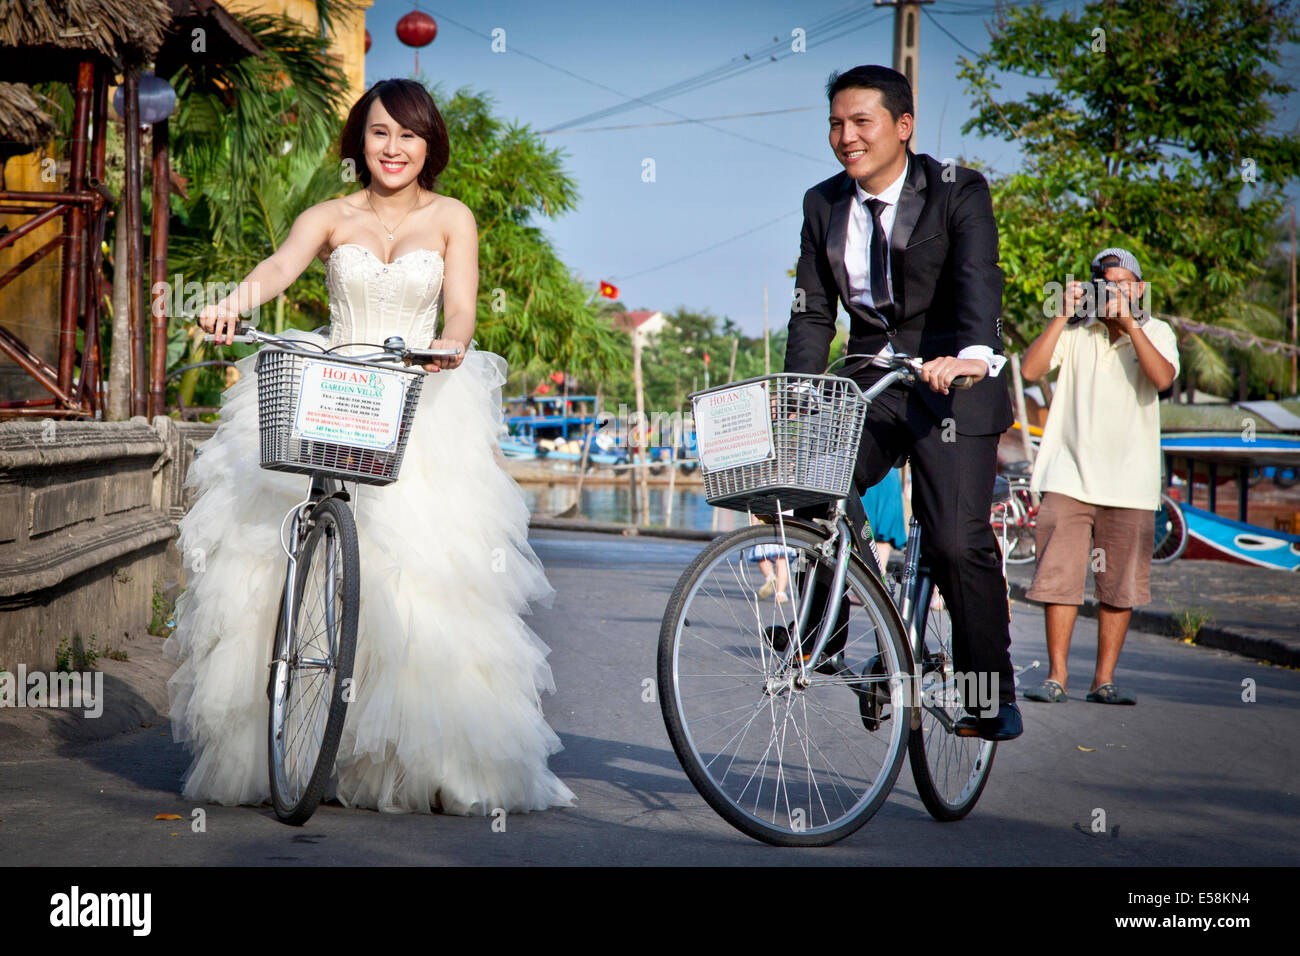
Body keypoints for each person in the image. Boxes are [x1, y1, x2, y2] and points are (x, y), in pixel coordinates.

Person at [165, 79, 576, 815]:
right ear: (360, 140)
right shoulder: (329, 214)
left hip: (418, 392)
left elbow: (461, 305)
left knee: (422, 572)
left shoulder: (453, 218)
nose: (394, 148)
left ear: (429, 146)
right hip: (335, 385)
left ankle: (425, 760)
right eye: (380, 133)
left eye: (409, 136)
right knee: (273, 552)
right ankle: (287, 739)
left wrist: (452, 342)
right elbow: (277, 270)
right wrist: (230, 304)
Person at [783, 64, 1020, 740]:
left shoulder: (957, 190)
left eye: (861, 122)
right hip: (872, 378)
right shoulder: (821, 203)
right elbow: (811, 315)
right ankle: (830, 627)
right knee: (808, 477)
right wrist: (800, 394)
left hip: (954, 383)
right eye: (836, 123)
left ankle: (988, 694)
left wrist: (973, 354)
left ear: (903, 127)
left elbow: (979, 278)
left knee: (953, 540)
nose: (845, 136)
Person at [1019, 247, 1179, 705]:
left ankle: (1103, 680)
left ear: (1140, 289)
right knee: (1060, 578)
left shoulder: (1158, 332)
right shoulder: (1075, 331)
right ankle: (1056, 676)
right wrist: (1062, 315)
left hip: (1131, 482)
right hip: (1067, 477)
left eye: (1124, 283)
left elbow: (1162, 379)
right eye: (1106, 283)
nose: (1115, 291)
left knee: (1119, 586)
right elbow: (1031, 369)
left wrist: (1131, 324)